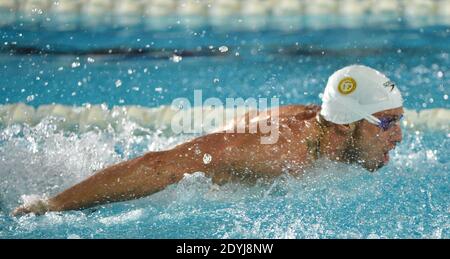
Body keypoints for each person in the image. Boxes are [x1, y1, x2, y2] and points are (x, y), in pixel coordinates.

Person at [12, 64, 404, 216]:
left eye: (399, 122)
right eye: (387, 124)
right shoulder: (280, 147)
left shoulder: (328, 128)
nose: (398, 136)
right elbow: (160, 166)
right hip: (177, 189)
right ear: (345, 124)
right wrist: (52, 204)